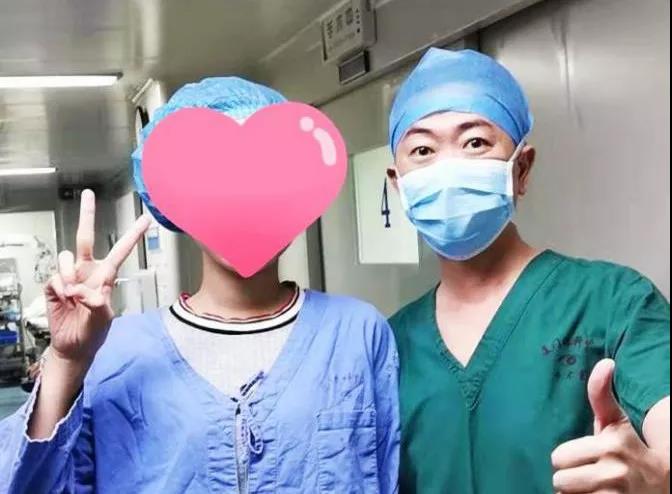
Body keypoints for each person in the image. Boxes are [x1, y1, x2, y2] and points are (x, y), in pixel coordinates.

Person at [0, 77, 399, 493]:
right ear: (178, 199)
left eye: (269, 176)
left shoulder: (356, 333)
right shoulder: (115, 351)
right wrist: (66, 361)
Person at [386, 48, 670, 493]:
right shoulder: (388, 345)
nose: (448, 168)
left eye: (475, 142)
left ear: (521, 168)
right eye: (422, 149)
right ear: (397, 184)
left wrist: (659, 478)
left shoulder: (616, 302)